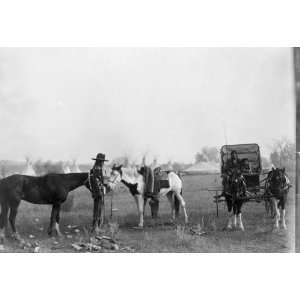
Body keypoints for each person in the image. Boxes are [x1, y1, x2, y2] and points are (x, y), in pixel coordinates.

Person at [89, 153, 108, 229]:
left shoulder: (98, 168)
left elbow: (101, 181)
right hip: (98, 193)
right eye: (101, 161)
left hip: (99, 192)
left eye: (102, 161)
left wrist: (105, 186)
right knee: (97, 209)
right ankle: (95, 227)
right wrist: (99, 192)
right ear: (99, 161)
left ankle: (97, 226)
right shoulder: (96, 169)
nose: (102, 162)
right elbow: (95, 181)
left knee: (99, 209)